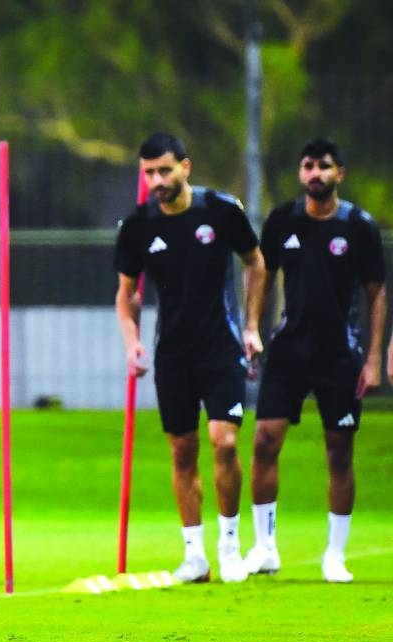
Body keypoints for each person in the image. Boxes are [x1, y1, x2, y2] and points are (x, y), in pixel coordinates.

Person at [114, 132, 266, 584]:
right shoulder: (138, 225)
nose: (157, 180)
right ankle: (194, 555)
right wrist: (131, 341)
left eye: (164, 170)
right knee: (182, 449)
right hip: (173, 353)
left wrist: (253, 325)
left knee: (225, 441)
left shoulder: (221, 210)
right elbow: (126, 296)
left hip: (221, 347)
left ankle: (230, 545)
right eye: (148, 173)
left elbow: (255, 263)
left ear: (186, 166)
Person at [246, 139, 386, 583]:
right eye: (307, 166)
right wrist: (252, 327)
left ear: (339, 173)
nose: (315, 173)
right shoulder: (282, 220)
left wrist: (375, 358)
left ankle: (334, 554)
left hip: (340, 354)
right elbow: (263, 274)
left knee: (339, 451)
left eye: (323, 166)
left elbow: (377, 291)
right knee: (265, 440)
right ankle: (265, 547)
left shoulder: (359, 226)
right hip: (289, 348)